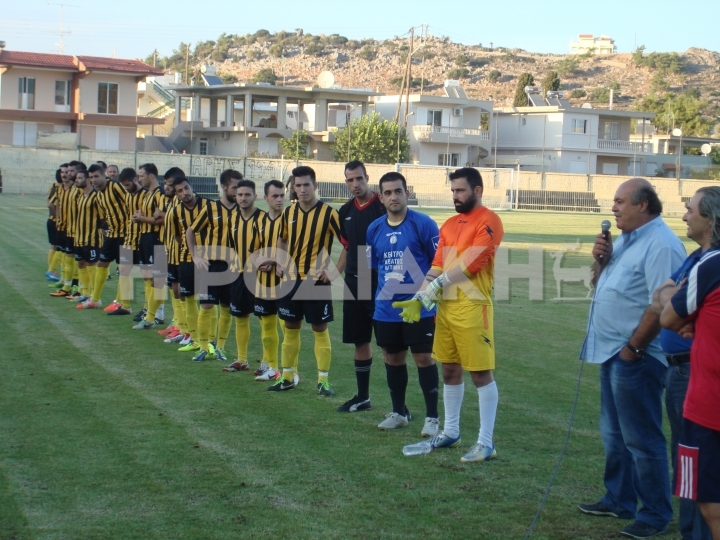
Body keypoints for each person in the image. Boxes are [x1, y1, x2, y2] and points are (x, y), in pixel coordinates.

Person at [578, 178, 687, 539]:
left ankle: (654, 513)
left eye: (620, 201)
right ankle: (619, 499)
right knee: (614, 434)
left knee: (642, 438)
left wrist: (633, 349)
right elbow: (600, 285)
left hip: (637, 357)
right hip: (613, 351)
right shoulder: (626, 240)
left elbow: (664, 307)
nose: (613, 208)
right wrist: (601, 261)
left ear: (643, 204)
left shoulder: (662, 245)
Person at [395, 167, 504, 463]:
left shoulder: (490, 220)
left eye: (460, 190)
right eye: (453, 190)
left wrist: (437, 285)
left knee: (480, 373)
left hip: (473, 308)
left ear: (477, 190)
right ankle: (451, 432)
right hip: (446, 309)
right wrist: (420, 295)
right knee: (449, 371)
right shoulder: (449, 225)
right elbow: (437, 264)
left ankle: (486, 443)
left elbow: (473, 263)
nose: (455, 195)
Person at [655, 187, 720, 540]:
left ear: (711, 219)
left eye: (691, 210)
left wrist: (684, 311)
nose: (684, 215)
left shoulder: (710, 264)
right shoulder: (699, 259)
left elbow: (667, 316)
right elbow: (663, 296)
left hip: (707, 399)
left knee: (705, 496)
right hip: (696, 386)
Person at [367, 172, 440, 436]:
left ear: (407, 193)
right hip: (386, 309)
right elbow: (372, 267)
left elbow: (439, 263)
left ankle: (432, 418)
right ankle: (399, 413)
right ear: (381, 197)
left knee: (423, 358)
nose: (393, 197)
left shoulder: (424, 224)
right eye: (387, 193)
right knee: (393, 358)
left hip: (420, 308)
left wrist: (422, 295)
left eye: (398, 191)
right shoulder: (373, 229)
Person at [268, 166, 341, 395]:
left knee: (319, 328)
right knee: (290, 327)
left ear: (315, 185)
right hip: (290, 280)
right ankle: (288, 377)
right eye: (297, 185)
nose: (301, 189)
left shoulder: (329, 213)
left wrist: (334, 272)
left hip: (316, 281)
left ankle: (323, 381)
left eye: (306, 184)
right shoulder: (288, 213)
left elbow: (348, 244)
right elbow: (282, 239)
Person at [335, 160, 387, 413]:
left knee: (389, 344)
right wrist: (336, 272)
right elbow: (347, 246)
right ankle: (363, 397)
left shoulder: (382, 206)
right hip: (355, 281)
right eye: (350, 180)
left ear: (367, 177)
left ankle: (399, 405)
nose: (355, 184)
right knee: (360, 340)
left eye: (359, 178)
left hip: (382, 282)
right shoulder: (345, 211)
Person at [185, 170, 241, 362]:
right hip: (211, 265)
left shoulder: (242, 209)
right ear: (224, 187)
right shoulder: (211, 208)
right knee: (206, 305)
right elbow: (190, 231)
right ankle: (203, 347)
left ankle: (220, 347)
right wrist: (195, 256)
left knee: (226, 307)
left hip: (232, 267)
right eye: (234, 187)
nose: (238, 192)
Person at [222, 178, 265, 371]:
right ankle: (241, 359)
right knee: (240, 316)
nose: (243, 198)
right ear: (235, 196)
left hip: (259, 276)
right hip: (238, 275)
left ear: (255, 196)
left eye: (247, 194)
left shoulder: (264, 218)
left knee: (265, 318)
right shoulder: (232, 218)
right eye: (240, 195)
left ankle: (267, 361)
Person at [246, 180, 286, 380]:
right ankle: (272, 367)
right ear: (266, 198)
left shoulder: (291, 219)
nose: (279, 199)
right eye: (275, 196)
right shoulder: (259, 222)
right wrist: (258, 262)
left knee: (288, 328)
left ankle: (291, 371)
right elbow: (253, 251)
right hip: (263, 282)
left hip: (285, 282)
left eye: (282, 195)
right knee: (267, 326)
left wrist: (272, 260)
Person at [79, 163, 129, 309]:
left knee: (124, 268)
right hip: (112, 234)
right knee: (101, 264)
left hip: (125, 234)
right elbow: (106, 215)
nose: (93, 180)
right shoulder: (99, 194)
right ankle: (95, 300)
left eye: (96, 176)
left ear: (103, 175)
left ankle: (121, 302)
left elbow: (130, 203)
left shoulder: (115, 186)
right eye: (91, 177)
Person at [167, 177, 208, 354]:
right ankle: (194, 338)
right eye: (180, 191)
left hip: (208, 259)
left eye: (186, 188)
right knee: (188, 297)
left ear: (191, 187)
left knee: (208, 300)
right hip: (186, 259)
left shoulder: (208, 205)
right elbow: (178, 236)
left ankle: (209, 339)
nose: (185, 193)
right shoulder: (175, 212)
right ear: (176, 194)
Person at [104, 168, 145, 316]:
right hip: (128, 239)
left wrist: (142, 217)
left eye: (127, 185)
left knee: (148, 277)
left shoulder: (146, 195)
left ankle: (150, 311)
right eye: (124, 186)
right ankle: (126, 306)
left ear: (135, 180)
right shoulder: (128, 196)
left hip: (142, 240)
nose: (126, 188)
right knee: (124, 270)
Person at [132, 163, 167, 329]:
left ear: (151, 175)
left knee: (156, 278)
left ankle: (158, 313)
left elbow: (161, 219)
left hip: (155, 238)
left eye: (141, 176)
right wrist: (139, 217)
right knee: (147, 275)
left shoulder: (159, 193)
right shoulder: (147, 194)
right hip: (145, 237)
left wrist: (142, 219)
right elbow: (150, 216)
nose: (139, 179)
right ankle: (148, 309)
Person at [158, 167, 187, 342]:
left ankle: (184, 328)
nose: (166, 187)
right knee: (174, 289)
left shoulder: (182, 202)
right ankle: (178, 324)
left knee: (181, 291)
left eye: (169, 184)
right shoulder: (170, 201)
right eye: (165, 184)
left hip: (182, 254)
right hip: (170, 252)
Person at [50, 161, 82, 298]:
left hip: (77, 230)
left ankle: (79, 288)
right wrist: (58, 219)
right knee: (67, 257)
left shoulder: (78, 189)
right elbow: (53, 204)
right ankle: (67, 285)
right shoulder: (60, 188)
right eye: (65, 172)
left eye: (69, 171)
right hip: (64, 229)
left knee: (82, 261)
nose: (66, 174)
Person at [71, 166, 103, 305]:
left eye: (79, 178)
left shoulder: (96, 196)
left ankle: (95, 296)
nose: (76, 180)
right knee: (81, 263)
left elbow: (103, 217)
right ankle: (85, 293)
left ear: (88, 180)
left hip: (92, 237)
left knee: (91, 264)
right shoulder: (81, 195)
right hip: (79, 236)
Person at [45, 166, 66, 282]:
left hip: (51, 220)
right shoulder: (60, 188)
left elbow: (48, 201)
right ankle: (52, 271)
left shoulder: (53, 186)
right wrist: (58, 218)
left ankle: (52, 270)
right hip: (57, 222)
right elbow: (50, 204)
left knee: (54, 246)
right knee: (61, 248)